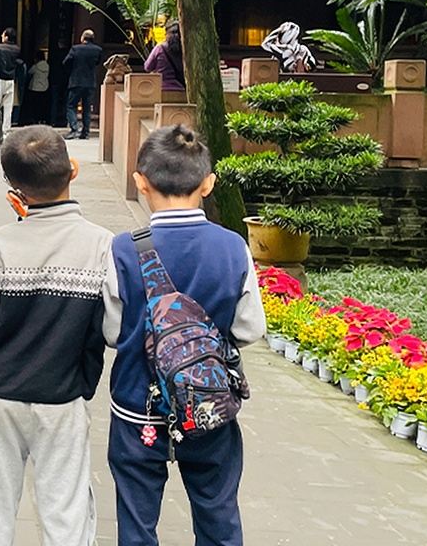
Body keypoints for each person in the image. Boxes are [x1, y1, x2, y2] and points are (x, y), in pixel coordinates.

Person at [102, 125, 266, 546]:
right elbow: (250, 328)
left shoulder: (123, 248)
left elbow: (113, 330)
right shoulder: (233, 247)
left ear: (140, 181)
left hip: (139, 409)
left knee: (136, 523)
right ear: (208, 183)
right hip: (208, 407)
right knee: (218, 515)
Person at [0, 126, 110, 546]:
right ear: (73, 171)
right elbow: (106, 329)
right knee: (65, 507)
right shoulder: (102, 246)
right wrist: (85, 383)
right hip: (62, 395)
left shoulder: (1, 243)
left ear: (13, 187)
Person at [63, 30, 104, 140]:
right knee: (87, 108)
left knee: (71, 105)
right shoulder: (98, 50)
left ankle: (74, 128)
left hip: (76, 80)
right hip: (90, 82)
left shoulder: (76, 49)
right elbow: (97, 62)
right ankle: (85, 132)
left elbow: (66, 62)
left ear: (83, 38)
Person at [144, 22, 185, 91]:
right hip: (181, 89)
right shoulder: (186, 50)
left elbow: (147, 67)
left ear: (166, 34)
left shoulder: (160, 48)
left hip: (160, 89)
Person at [0, 28, 25, 130]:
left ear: (7, 37)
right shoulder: (16, 49)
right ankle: (6, 128)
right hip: (11, 79)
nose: (1, 36)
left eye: (3, 35)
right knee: (8, 107)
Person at [25, 50, 50, 125]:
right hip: (44, 87)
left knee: (35, 105)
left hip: (35, 88)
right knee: (42, 105)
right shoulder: (47, 66)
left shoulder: (36, 66)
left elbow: (29, 72)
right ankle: (42, 119)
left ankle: (35, 119)